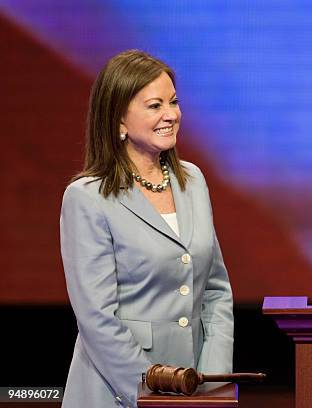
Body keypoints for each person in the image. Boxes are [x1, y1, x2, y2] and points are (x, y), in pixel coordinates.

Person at [60, 50, 233, 408]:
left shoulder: (193, 180)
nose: (171, 115)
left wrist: (213, 383)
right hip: (119, 391)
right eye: (155, 105)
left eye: (174, 101)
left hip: (194, 388)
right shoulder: (87, 197)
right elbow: (96, 319)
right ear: (119, 119)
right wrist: (152, 391)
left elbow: (215, 291)